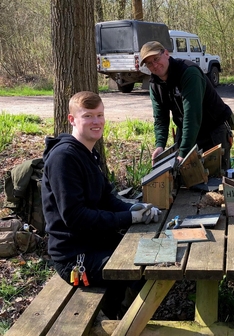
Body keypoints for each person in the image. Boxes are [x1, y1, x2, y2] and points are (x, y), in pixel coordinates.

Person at [41, 91, 160, 319]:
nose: (96, 122)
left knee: (152, 254)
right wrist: (129, 219)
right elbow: (76, 217)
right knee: (140, 270)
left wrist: (132, 209)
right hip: (74, 258)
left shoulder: (87, 152)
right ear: (72, 119)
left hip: (96, 243)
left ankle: (121, 315)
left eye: (100, 115)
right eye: (88, 116)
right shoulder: (63, 158)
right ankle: (128, 324)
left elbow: (106, 198)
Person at [139, 41, 234, 171]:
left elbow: (192, 116)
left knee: (215, 179)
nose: (155, 65)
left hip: (212, 129)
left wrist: (184, 152)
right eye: (149, 63)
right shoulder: (155, 84)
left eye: (156, 59)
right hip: (186, 130)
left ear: (166, 54)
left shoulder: (189, 73)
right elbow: (160, 119)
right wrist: (160, 145)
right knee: (186, 177)